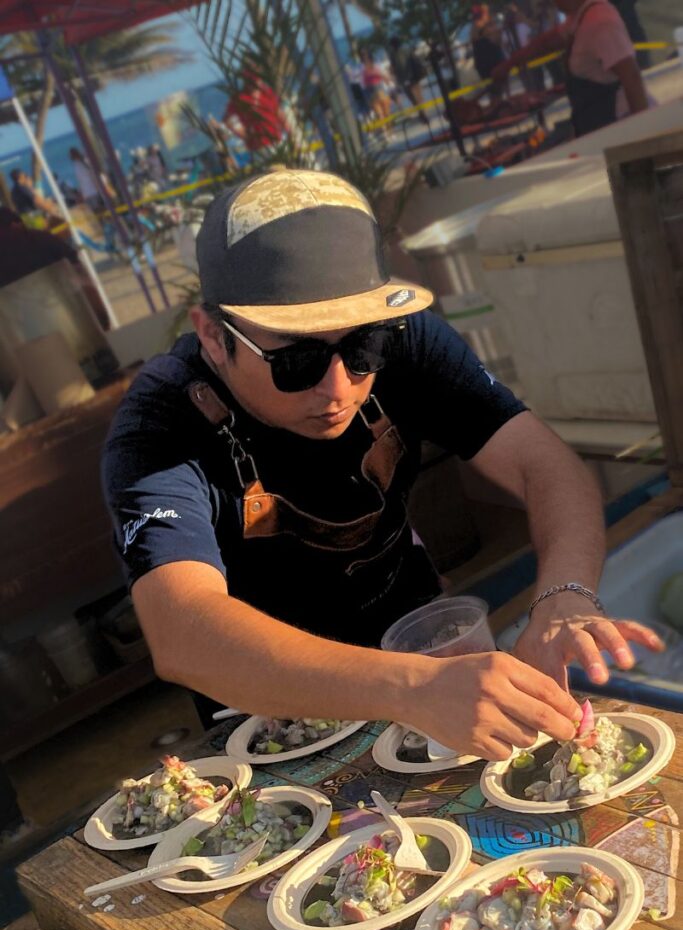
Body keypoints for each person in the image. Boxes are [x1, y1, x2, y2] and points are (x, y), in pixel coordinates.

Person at [101, 167, 661, 758]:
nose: (338, 387)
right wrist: (408, 688)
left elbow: (541, 462)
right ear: (215, 337)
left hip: (419, 645)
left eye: (363, 348)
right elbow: (182, 630)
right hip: (273, 712)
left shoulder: (405, 339)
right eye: (297, 361)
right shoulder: (159, 427)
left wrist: (564, 596)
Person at [492, 0, 651, 136]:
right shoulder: (580, 17)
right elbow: (548, 42)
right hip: (599, 123)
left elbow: (632, 77)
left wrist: (642, 131)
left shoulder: (600, 22)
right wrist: (509, 64)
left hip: (619, 121)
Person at [0, 207, 109, 329]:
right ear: (16, 224)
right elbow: (80, 275)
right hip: (70, 315)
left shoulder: (39, 238)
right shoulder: (40, 238)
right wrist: (101, 317)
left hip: (25, 329)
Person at [222, 71, 286, 156]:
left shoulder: (267, 93)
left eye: (258, 80)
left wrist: (290, 132)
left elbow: (279, 113)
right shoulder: (240, 98)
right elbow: (227, 118)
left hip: (277, 141)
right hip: (260, 148)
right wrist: (242, 133)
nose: (258, 83)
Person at [388, 36, 430, 128]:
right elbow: (416, 60)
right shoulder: (407, 50)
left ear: (392, 45)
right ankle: (424, 114)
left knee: (413, 99)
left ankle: (422, 114)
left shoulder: (392, 55)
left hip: (405, 80)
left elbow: (394, 69)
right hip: (414, 77)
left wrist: (396, 79)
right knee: (419, 97)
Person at [360, 49, 393, 126]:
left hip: (379, 88)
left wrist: (388, 82)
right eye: (363, 56)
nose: (365, 58)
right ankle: (387, 133)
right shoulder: (362, 68)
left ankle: (390, 131)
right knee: (380, 114)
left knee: (386, 112)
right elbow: (362, 83)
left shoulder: (376, 64)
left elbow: (384, 75)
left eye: (366, 55)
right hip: (372, 90)